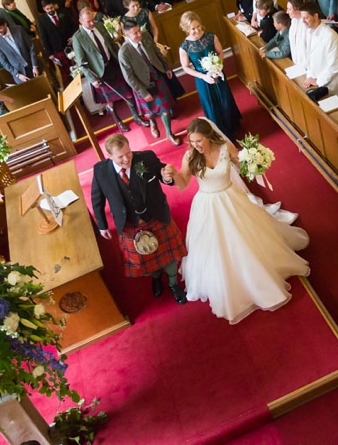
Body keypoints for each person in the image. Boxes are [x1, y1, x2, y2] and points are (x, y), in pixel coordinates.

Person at [165, 118, 309, 324]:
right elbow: (183, 183)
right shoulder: (190, 156)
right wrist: (171, 177)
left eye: (199, 141)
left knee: (247, 238)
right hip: (207, 206)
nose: (196, 145)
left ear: (209, 136)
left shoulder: (225, 148)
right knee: (218, 248)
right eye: (193, 141)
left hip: (231, 198)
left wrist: (254, 160)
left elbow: (242, 168)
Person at [91, 134, 187, 304]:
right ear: (109, 155)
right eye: (120, 156)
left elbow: (164, 173)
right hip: (129, 223)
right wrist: (102, 225)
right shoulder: (100, 170)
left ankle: (173, 284)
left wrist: (167, 177)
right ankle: (156, 277)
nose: (126, 159)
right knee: (146, 258)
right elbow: (97, 198)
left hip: (156, 216)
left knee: (170, 255)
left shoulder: (147, 158)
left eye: (128, 153)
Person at [73, 7, 147, 132]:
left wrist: (122, 59)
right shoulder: (78, 38)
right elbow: (81, 63)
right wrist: (92, 79)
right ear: (80, 21)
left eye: (92, 20)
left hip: (113, 64)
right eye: (88, 22)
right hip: (99, 73)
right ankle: (118, 121)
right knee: (109, 102)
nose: (92, 23)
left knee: (128, 92)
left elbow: (111, 44)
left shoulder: (100, 26)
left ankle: (137, 117)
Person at [118, 20, 181, 145]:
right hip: (142, 84)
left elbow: (157, 52)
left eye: (139, 31)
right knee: (149, 111)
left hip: (157, 77)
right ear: (126, 35)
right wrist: (143, 92)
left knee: (165, 108)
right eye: (135, 33)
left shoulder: (146, 36)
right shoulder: (124, 52)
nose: (139, 35)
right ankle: (153, 123)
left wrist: (166, 67)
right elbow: (129, 77)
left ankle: (169, 134)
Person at [179, 11, 241, 137]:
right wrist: (203, 76)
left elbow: (220, 52)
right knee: (210, 103)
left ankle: (232, 125)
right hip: (203, 79)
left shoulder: (211, 37)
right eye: (192, 29)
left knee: (225, 99)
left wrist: (218, 66)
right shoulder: (184, 47)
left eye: (198, 26)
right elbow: (185, 67)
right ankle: (218, 131)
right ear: (186, 29)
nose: (196, 30)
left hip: (218, 73)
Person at [300, 2, 338, 97]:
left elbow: (334, 66)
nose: (303, 21)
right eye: (302, 18)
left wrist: (318, 81)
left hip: (332, 84)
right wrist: (310, 76)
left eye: (306, 18)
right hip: (315, 78)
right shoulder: (309, 31)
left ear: (315, 16)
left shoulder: (330, 36)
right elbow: (309, 57)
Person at [0, 17, 40, 84]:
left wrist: (35, 66)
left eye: (0, 28)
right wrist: (17, 74)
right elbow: (4, 62)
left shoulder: (18, 30)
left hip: (33, 65)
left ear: (5, 24)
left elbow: (31, 48)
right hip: (19, 74)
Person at [37, 0, 76, 68]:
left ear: (54, 5)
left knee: (78, 63)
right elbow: (44, 38)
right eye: (47, 9)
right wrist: (49, 53)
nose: (50, 10)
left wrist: (73, 36)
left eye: (51, 7)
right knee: (68, 69)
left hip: (71, 43)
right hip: (57, 48)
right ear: (44, 9)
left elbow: (74, 25)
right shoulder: (41, 21)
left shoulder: (63, 12)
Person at [287, 0, 309, 66]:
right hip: (297, 63)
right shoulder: (294, 21)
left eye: (289, 9)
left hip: (307, 65)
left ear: (298, 9)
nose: (287, 12)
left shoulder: (307, 24)